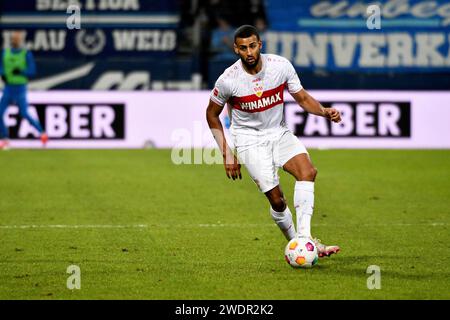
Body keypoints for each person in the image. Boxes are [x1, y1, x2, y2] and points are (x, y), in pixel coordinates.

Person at [206, 25, 341, 258]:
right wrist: (227, 154)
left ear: (260, 45)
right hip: (249, 141)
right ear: (235, 49)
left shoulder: (280, 66)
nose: (249, 52)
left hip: (278, 132)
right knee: (278, 202)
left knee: (307, 172)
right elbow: (211, 114)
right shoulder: (228, 80)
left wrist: (323, 111)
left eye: (252, 46)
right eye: (243, 48)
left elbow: (302, 98)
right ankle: (297, 245)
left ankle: (306, 241)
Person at [0, 31, 48, 150]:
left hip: (20, 88)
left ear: (20, 40)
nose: (15, 41)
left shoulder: (26, 53)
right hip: (8, 87)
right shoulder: (5, 52)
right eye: (14, 39)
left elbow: (32, 70)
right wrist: (3, 75)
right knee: (0, 113)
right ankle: (5, 139)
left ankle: (42, 133)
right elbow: (1, 67)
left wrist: (21, 71)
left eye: (17, 39)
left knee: (24, 113)